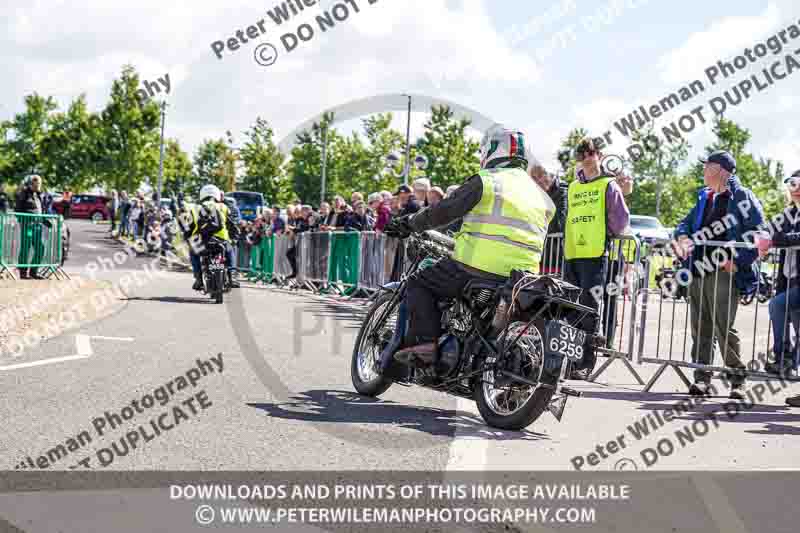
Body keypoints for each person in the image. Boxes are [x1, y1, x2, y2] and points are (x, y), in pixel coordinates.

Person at [384, 125, 554, 364]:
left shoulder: (487, 181)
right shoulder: (542, 197)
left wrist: (410, 223)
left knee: (418, 283)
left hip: (474, 267)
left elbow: (443, 211)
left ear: (491, 150)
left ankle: (425, 345)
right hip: (521, 278)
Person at [673, 150, 764, 399]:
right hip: (698, 269)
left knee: (724, 328)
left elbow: (759, 234)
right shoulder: (705, 196)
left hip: (724, 273)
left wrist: (736, 260)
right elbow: (685, 223)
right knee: (700, 327)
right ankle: (702, 378)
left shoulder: (743, 196)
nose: (703, 170)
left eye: (707, 166)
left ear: (721, 170)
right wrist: (681, 235)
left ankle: (737, 381)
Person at [562, 137, 633, 380]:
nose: (585, 157)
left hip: (594, 254)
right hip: (572, 254)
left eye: (589, 152)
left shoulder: (608, 185)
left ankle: (584, 363)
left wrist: (607, 235)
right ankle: (568, 360)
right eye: (580, 153)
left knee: (589, 310)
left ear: (599, 155)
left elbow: (621, 221)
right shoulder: (573, 186)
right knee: (571, 309)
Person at [758, 170, 800, 381]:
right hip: (789, 280)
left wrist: (774, 240)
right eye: (792, 185)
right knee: (792, 317)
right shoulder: (789, 213)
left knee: (776, 305)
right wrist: (764, 237)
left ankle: (786, 358)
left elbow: (793, 237)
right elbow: (768, 229)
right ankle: (787, 361)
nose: (796, 190)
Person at [530, 163, 568, 275]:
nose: (539, 181)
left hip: (556, 257)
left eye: (541, 175)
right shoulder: (534, 195)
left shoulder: (563, 191)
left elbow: (559, 224)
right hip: (538, 257)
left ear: (550, 174)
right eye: (535, 178)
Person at [14, 174, 48, 279]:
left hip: (37, 226)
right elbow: (17, 210)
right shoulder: (24, 194)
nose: (37, 185)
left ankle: (34, 271)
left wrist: (44, 220)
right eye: (35, 183)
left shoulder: (38, 195)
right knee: (26, 247)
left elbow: (39, 210)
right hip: (27, 226)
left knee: (40, 248)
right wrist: (24, 221)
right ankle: (23, 272)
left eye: (38, 183)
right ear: (30, 183)